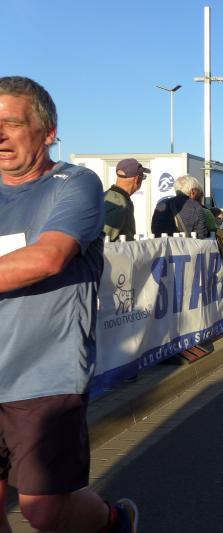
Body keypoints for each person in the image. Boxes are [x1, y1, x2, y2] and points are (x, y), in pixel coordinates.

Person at [0, 76, 137, 532]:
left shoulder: (74, 183)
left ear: (48, 131)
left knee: (42, 510)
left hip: (45, 373)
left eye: (12, 123)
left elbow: (49, 257)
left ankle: (112, 522)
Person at [103, 158, 148, 242]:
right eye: (143, 177)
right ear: (137, 179)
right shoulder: (119, 205)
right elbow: (103, 242)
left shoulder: (106, 196)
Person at [150, 174, 209, 238]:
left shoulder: (161, 204)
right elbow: (202, 235)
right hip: (187, 243)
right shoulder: (195, 206)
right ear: (193, 191)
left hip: (163, 243)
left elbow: (154, 231)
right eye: (199, 192)